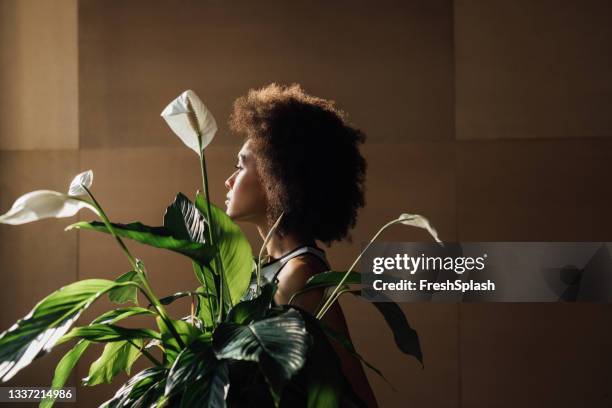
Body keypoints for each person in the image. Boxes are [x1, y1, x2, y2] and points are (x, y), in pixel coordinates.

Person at [224, 83, 378, 407]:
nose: (229, 180)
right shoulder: (266, 269)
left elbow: (354, 395)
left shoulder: (300, 275)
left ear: (274, 175)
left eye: (240, 166)